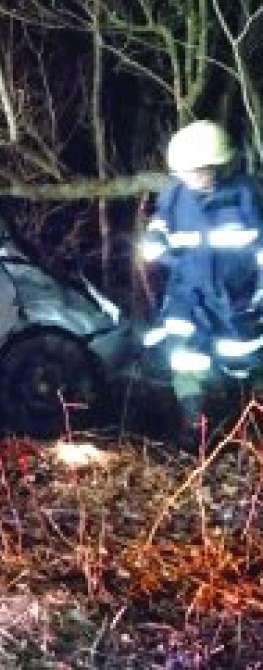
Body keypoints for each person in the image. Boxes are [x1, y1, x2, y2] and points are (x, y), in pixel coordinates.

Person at [141, 119, 263, 451]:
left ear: (219, 165)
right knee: (185, 358)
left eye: (198, 170)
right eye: (185, 172)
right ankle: (194, 431)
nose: (191, 178)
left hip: (238, 301)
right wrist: (154, 240)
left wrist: (257, 298)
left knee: (244, 362)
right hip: (189, 297)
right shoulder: (175, 195)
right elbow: (161, 225)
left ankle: (249, 426)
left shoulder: (248, 197)